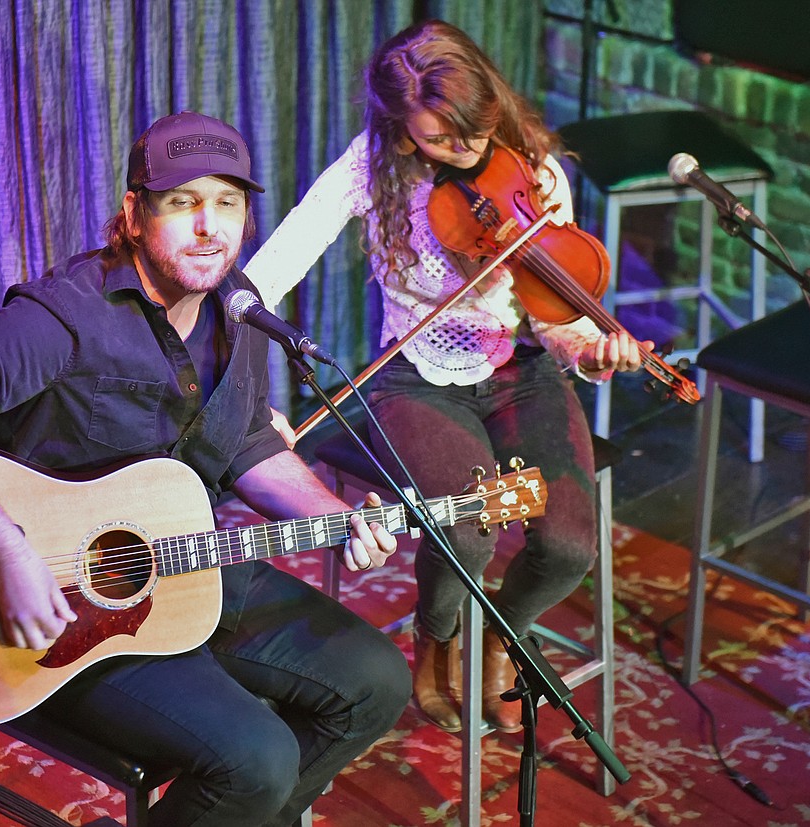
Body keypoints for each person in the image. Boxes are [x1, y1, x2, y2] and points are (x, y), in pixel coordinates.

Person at [0, 110, 411, 826]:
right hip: (57, 613)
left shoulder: (238, 312)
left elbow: (246, 444)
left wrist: (333, 517)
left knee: (377, 680)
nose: (209, 226)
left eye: (228, 203)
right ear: (134, 211)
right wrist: (7, 553)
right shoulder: (66, 316)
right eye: (184, 203)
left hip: (190, 572)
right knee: (259, 758)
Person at [244, 20, 650, 734]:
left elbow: (556, 321)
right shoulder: (370, 169)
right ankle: (438, 633)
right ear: (402, 131)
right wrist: (234, 339)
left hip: (517, 368)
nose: (468, 149)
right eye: (441, 138)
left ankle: (502, 629)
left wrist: (590, 350)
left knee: (567, 546)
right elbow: (280, 261)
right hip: (413, 375)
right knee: (468, 529)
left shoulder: (535, 173)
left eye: (474, 127)